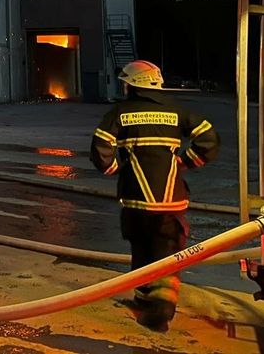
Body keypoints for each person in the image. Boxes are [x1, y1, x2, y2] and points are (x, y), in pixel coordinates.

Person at [90, 59, 220, 331]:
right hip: (170, 202)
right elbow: (209, 140)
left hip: (135, 201)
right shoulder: (176, 112)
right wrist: (185, 162)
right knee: (167, 253)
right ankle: (160, 306)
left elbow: (101, 149)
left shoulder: (120, 113)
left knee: (141, 250)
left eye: (125, 83)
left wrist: (116, 169)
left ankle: (151, 304)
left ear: (132, 85)